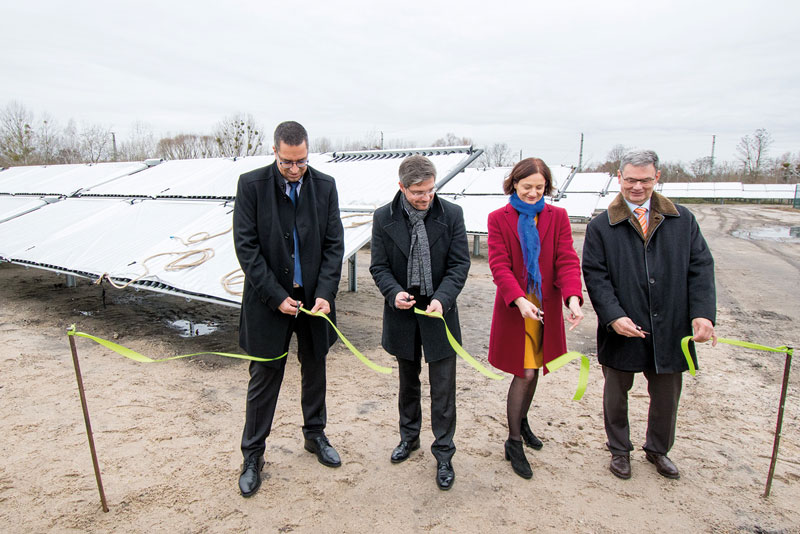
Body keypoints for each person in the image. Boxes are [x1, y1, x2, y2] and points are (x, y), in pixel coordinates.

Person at [582, 148, 716, 481]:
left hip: (671, 324)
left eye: (644, 180)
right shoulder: (601, 226)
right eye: (630, 180)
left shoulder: (682, 220)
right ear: (620, 178)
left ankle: (658, 450)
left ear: (657, 178)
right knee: (616, 393)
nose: (637, 187)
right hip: (623, 324)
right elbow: (595, 275)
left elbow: (701, 268)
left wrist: (702, 314)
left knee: (667, 395)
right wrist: (613, 316)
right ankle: (619, 450)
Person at [233, 121, 345, 497]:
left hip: (314, 301)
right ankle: (253, 455)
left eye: (301, 162)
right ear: (275, 153)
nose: (295, 169)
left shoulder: (325, 186)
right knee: (264, 378)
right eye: (287, 163)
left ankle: (315, 435)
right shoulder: (251, 186)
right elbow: (246, 248)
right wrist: (274, 294)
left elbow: (333, 246)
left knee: (315, 367)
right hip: (270, 301)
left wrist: (326, 291)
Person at [369, 154, 470, 490]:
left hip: (439, 312)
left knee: (443, 389)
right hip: (403, 312)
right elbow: (379, 267)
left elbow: (459, 265)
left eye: (430, 190)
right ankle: (409, 438)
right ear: (402, 188)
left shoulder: (451, 214)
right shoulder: (383, 217)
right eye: (417, 193)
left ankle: (443, 453)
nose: (426, 198)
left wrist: (443, 298)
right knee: (407, 383)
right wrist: (393, 292)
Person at [487, 157, 584, 479]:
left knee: (535, 368)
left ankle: (522, 420)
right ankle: (513, 441)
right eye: (527, 187)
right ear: (514, 183)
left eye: (539, 188)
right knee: (525, 371)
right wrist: (518, 299)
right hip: (517, 306)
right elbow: (499, 265)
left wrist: (572, 297)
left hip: (546, 305)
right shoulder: (498, 218)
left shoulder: (557, 217)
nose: (533, 193)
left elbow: (567, 258)